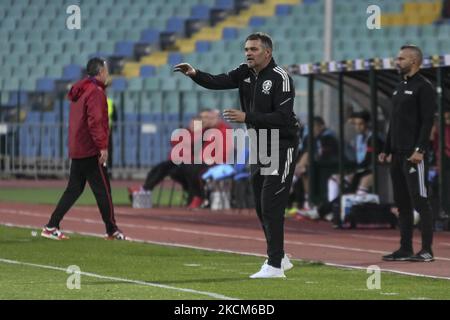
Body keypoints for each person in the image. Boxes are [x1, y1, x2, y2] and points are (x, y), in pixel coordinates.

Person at [174, 32, 300, 278]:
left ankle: (274, 266)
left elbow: (284, 118)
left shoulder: (280, 78)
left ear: (268, 52)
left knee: (271, 204)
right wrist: (195, 74)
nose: (248, 53)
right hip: (259, 144)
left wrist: (247, 117)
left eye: (253, 49)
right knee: (261, 206)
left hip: (280, 144)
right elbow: (219, 81)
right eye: (246, 49)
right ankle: (280, 257)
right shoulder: (245, 73)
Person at [41, 57, 125, 241]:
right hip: (90, 148)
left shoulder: (81, 90)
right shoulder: (95, 92)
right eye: (107, 70)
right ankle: (112, 231)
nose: (108, 74)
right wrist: (102, 146)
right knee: (103, 190)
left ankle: (51, 226)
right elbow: (95, 121)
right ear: (101, 72)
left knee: (74, 189)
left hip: (78, 146)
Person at [379, 45, 436, 262]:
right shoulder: (399, 87)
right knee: (402, 203)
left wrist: (420, 149)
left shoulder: (424, 87)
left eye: (401, 58)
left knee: (420, 201)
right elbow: (394, 122)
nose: (397, 61)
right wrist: (386, 149)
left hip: (414, 155)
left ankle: (427, 250)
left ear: (414, 61)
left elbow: (427, 121)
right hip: (397, 154)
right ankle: (405, 248)